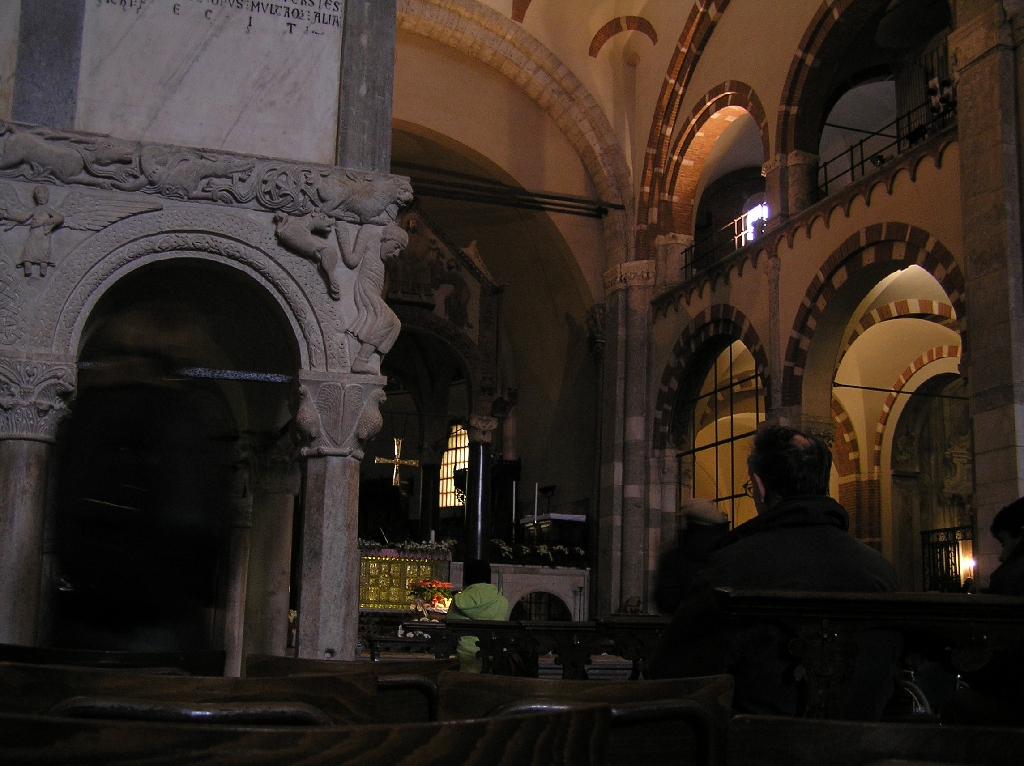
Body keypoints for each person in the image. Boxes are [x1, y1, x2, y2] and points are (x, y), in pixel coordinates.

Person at [650, 424, 901, 719]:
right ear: (823, 482)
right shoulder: (881, 571)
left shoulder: (732, 566)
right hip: (864, 741)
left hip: (759, 740)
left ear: (760, 486)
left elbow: (674, 675)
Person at [942, 498, 1024, 725]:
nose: (1001, 555)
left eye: (1003, 542)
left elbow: (1000, 653)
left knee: (958, 704)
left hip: (1015, 704)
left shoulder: (1013, 576)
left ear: (1020, 534)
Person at [654, 497, 729, 614]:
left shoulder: (677, 556)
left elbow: (666, 600)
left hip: (685, 620)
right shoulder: (726, 551)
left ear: (690, 522)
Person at [449, 559, 509, 673]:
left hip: (464, 659)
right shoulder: (502, 601)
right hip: (495, 661)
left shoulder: (459, 600)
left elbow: (449, 624)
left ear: (466, 578)